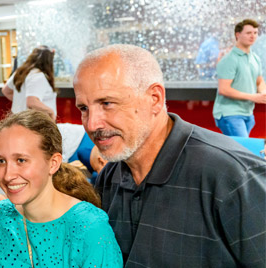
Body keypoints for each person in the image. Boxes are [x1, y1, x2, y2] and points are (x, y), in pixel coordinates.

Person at [74, 43, 266, 266]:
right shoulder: (111, 176)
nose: (92, 123)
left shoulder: (233, 177)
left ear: (154, 98)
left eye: (107, 103)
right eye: (83, 109)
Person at [0, 110, 122, 267]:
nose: (8, 175)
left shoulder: (89, 228)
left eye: (21, 160)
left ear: (53, 163)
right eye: (1, 161)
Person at [214, 19, 266, 137]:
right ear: (238, 35)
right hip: (230, 113)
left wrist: (263, 93)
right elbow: (224, 89)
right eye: (248, 33)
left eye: (255, 33)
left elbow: (259, 81)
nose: (253, 36)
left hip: (248, 114)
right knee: (243, 151)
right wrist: (253, 97)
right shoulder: (229, 60)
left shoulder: (255, 58)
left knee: (239, 152)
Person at [2, 45, 57, 121]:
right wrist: (51, 112)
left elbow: (6, 91)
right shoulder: (38, 76)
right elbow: (31, 102)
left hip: (17, 119)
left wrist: (20, 103)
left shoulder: (20, 72)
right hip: (33, 122)